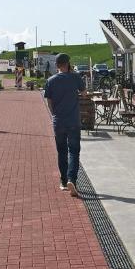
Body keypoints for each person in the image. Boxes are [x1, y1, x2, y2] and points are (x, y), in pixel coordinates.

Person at [43, 53, 86, 196]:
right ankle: (72, 179)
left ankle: (63, 182)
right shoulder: (75, 77)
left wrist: (54, 114)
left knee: (62, 152)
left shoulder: (50, 80)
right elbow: (84, 93)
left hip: (58, 121)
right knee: (74, 151)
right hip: (73, 121)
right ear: (68, 63)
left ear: (56, 65)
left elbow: (49, 101)